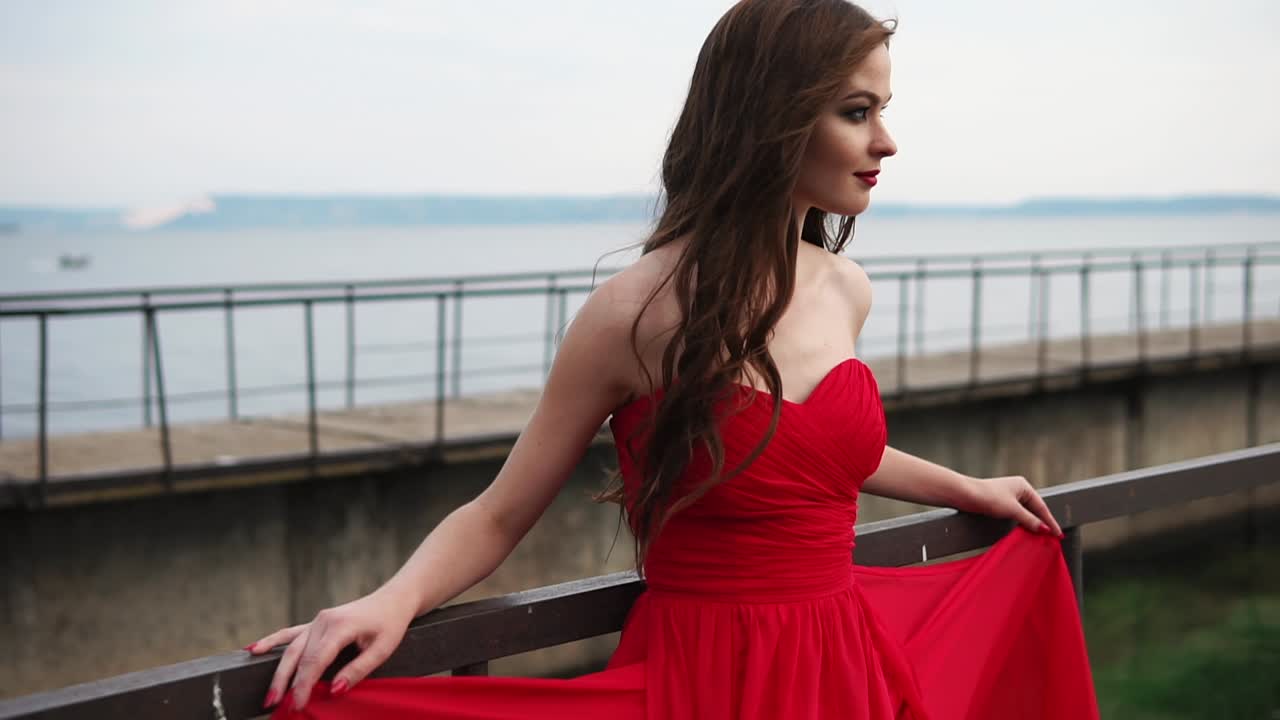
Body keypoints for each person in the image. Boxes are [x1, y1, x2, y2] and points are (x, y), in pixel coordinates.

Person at [248, 1, 1099, 717]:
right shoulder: (632, 314)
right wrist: (392, 599)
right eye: (856, 112)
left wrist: (967, 489)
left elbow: (811, 455)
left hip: (842, 666)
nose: (887, 141)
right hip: (706, 680)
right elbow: (501, 514)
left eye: (883, 109)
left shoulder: (847, 289)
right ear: (772, 118)